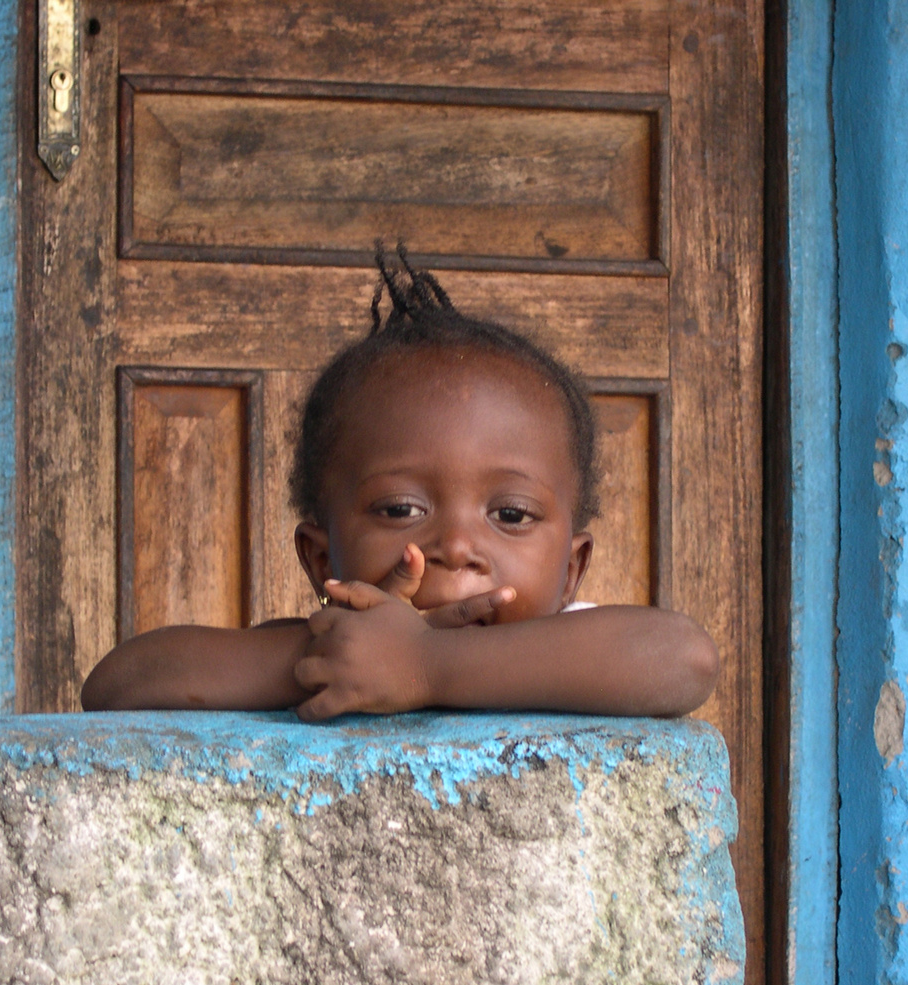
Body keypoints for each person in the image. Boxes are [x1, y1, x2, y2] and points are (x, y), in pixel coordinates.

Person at [81, 247, 718, 720]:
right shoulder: (324, 648)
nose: (457, 545)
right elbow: (118, 685)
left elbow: (684, 659)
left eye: (513, 515)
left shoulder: (580, 648)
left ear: (572, 569)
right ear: (323, 557)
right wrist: (341, 654)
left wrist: (424, 666)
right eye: (400, 507)